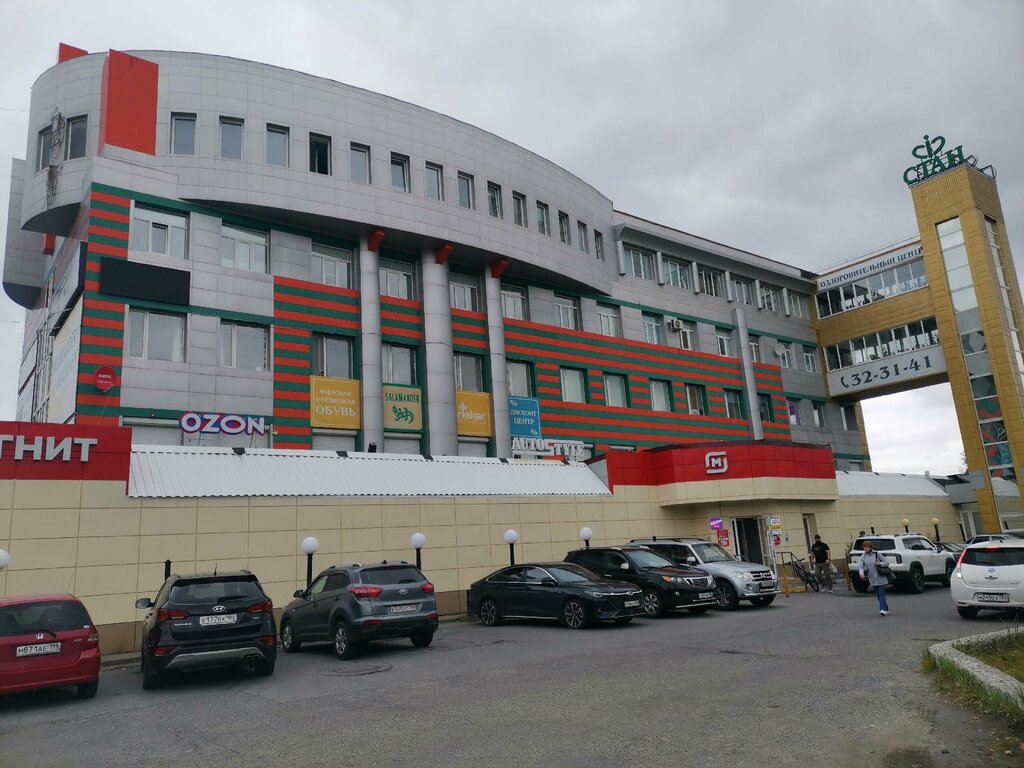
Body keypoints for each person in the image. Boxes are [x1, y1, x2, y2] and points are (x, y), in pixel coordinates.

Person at [859, 540, 891, 616]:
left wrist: (880, 563)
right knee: (879, 595)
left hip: (881, 577)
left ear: (870, 547)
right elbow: (861, 567)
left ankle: (882, 609)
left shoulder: (877, 553)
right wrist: (861, 574)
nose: (866, 549)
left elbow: (887, 562)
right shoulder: (863, 556)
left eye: (867, 547)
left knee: (881, 594)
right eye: (864, 547)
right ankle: (886, 609)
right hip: (872, 578)